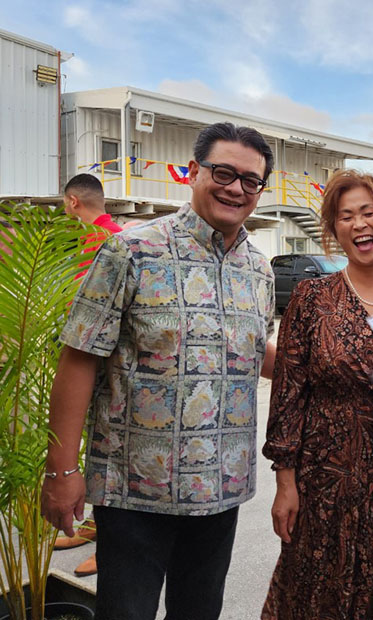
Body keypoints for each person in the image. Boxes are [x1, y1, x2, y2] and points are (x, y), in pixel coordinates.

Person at [40, 122, 278, 620]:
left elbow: (253, 353)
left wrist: (340, 364)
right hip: (135, 490)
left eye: (250, 180)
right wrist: (62, 471)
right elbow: (80, 356)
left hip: (221, 488)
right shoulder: (132, 250)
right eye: (223, 172)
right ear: (193, 172)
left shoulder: (259, 270)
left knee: (199, 612)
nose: (236, 187)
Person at [261, 169, 373, 619]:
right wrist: (285, 482)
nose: (359, 224)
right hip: (323, 479)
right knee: (314, 592)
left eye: (368, 212)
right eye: (345, 216)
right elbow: (289, 392)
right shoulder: (312, 297)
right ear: (333, 230)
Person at [50, 173, 124, 577]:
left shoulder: (109, 241)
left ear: (73, 202)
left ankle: (109, 544)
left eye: (65, 204)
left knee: (105, 455)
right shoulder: (97, 236)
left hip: (106, 370)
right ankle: (94, 528)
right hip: (89, 362)